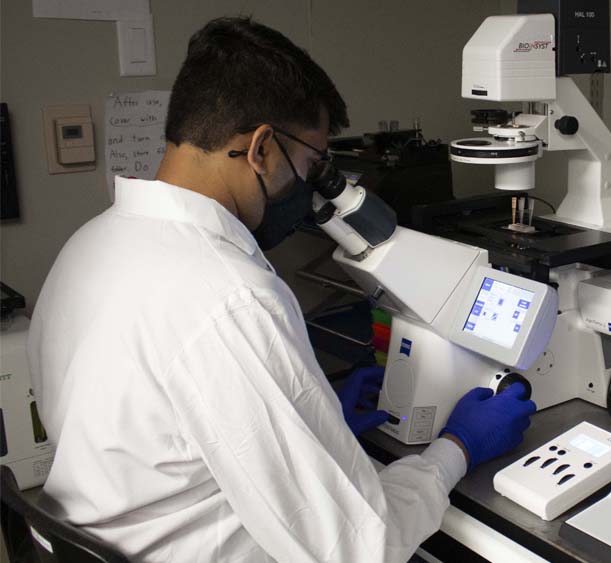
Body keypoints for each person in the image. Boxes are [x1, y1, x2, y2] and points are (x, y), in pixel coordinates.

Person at [27, 17, 536, 562]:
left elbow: (159, 433)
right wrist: (458, 446)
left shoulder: (89, 244)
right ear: (262, 149)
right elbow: (359, 547)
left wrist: (311, 420)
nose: (311, 185)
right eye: (312, 165)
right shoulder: (230, 297)